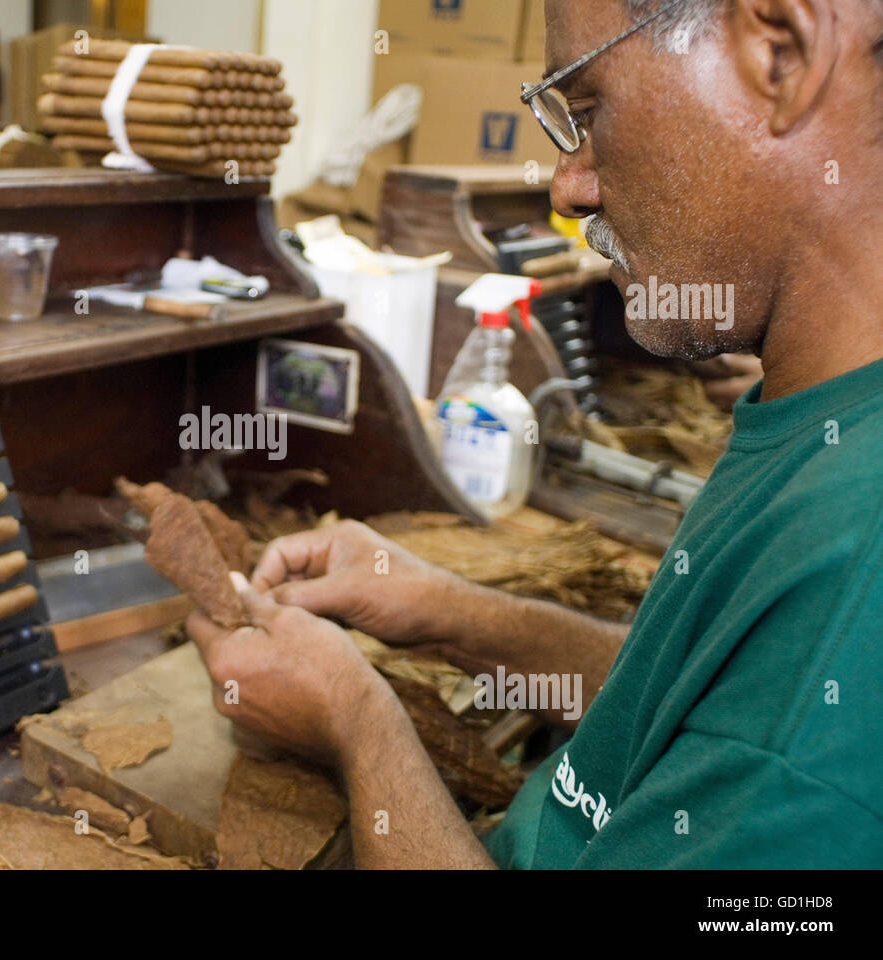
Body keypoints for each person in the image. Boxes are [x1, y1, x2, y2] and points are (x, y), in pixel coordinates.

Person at [187, 0, 883, 868]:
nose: (569, 186)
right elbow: (701, 712)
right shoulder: (823, 417)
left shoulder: (857, 566)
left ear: (781, 52)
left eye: (587, 112)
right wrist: (453, 613)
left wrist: (356, 721)